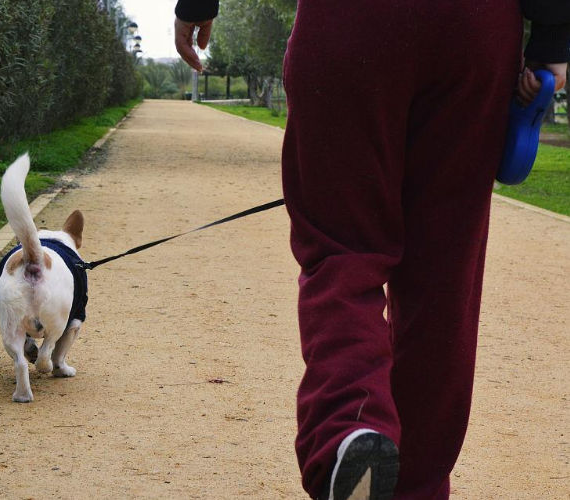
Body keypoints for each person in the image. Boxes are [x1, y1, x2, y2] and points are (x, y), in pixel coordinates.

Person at [174, 1, 569, 499]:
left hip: (352, 22)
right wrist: (554, 35)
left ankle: (348, 426)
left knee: (343, 250)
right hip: (474, 26)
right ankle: (415, 488)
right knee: (444, 275)